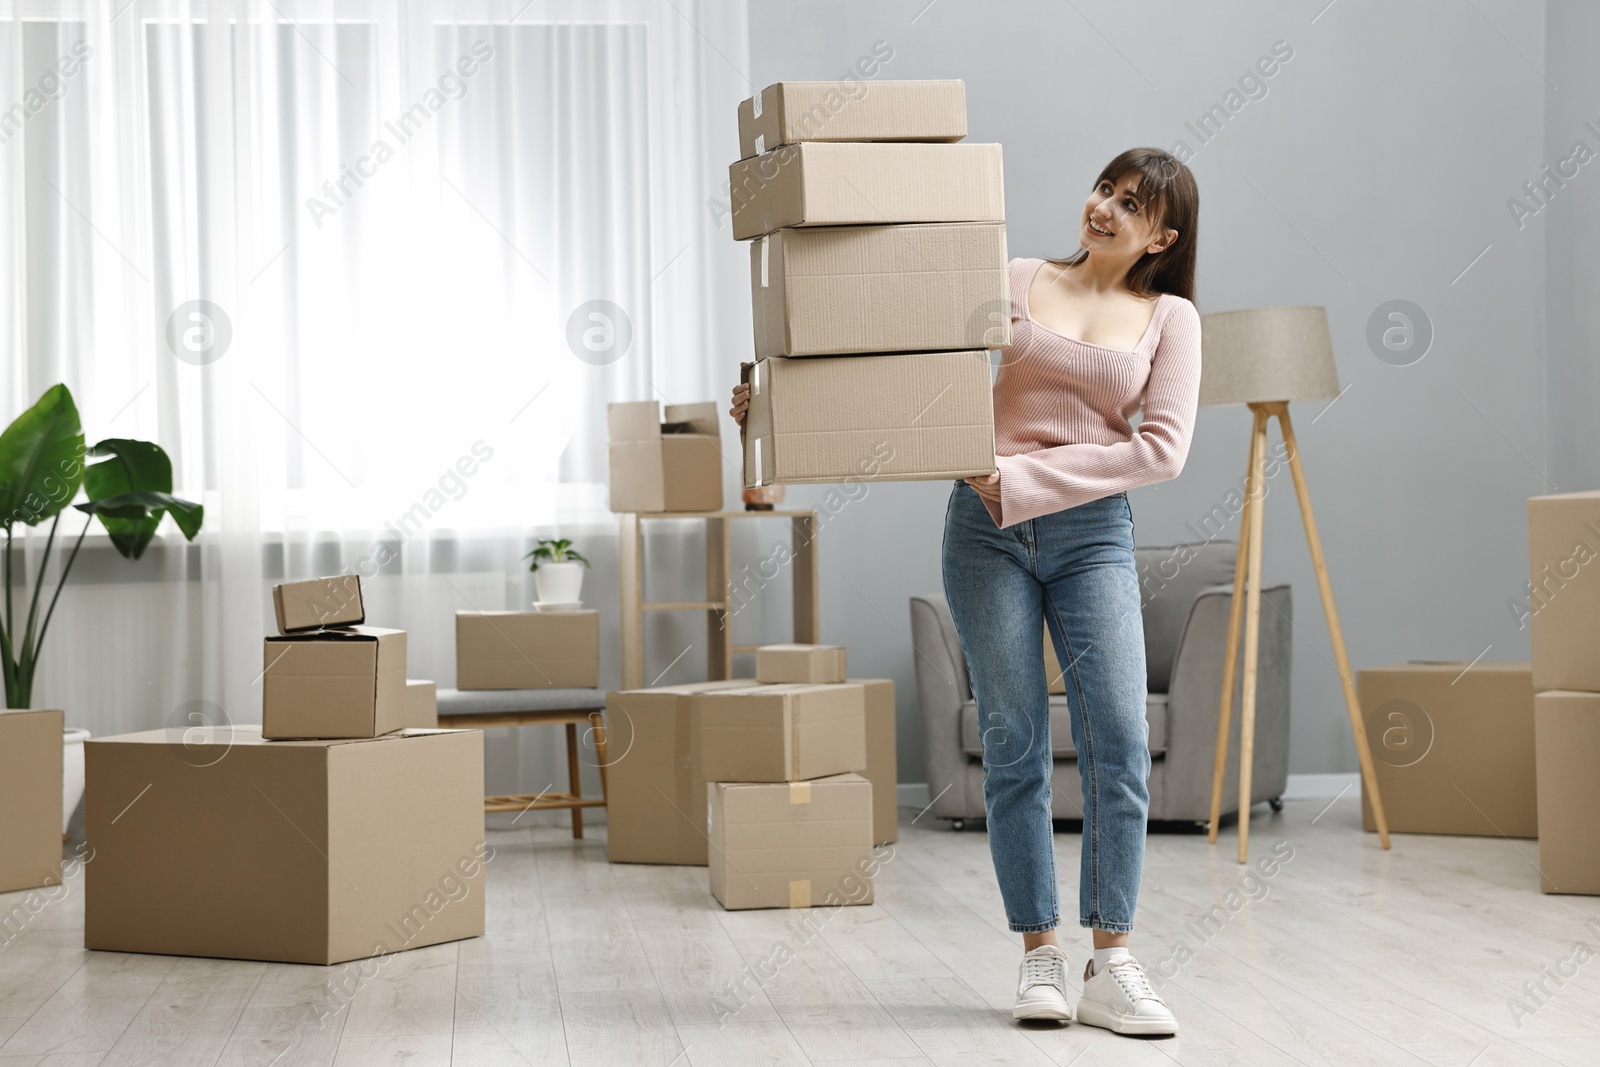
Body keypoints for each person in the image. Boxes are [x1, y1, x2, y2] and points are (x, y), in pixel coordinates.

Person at [729, 147, 1201, 1036]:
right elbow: (904, 359)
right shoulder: (1014, 277)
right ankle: (1040, 956)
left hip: (1092, 536)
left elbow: (1162, 451)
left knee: (1121, 739)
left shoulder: (1170, 319)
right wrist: (782, 407)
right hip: (982, 533)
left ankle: (1114, 959)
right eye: (1102, 186)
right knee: (1014, 740)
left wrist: (1024, 479)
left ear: (1163, 236)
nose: (1103, 207)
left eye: (1131, 204)